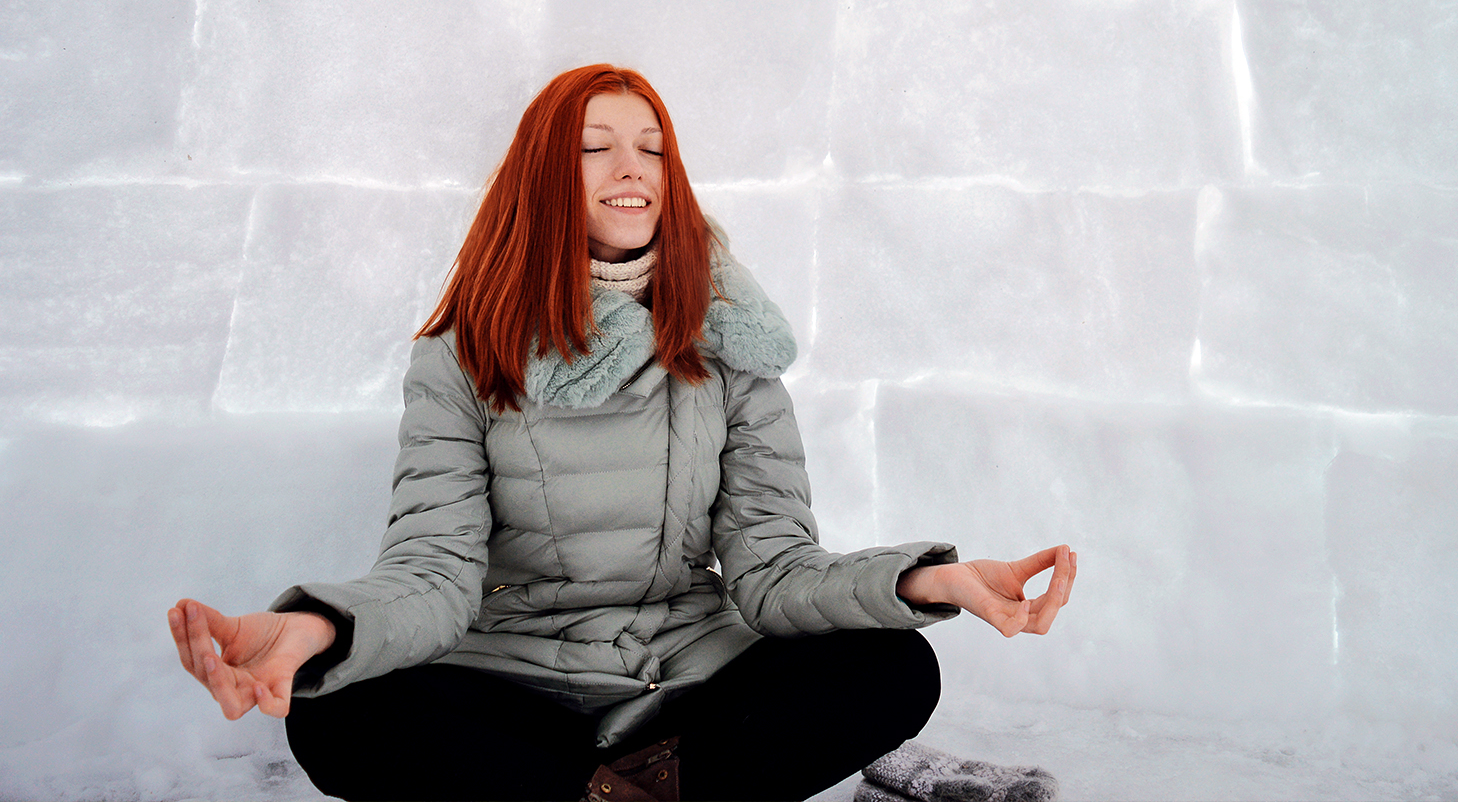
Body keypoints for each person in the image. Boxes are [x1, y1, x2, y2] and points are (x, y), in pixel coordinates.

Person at [168, 64, 1077, 801]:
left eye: (652, 149)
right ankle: (646, 792)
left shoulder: (729, 345)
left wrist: (934, 578)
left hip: (691, 685)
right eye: (595, 148)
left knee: (891, 666)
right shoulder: (459, 356)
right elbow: (435, 575)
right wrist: (317, 632)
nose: (631, 167)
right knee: (336, 716)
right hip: (519, 687)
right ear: (542, 180)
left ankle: (591, 794)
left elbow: (772, 573)